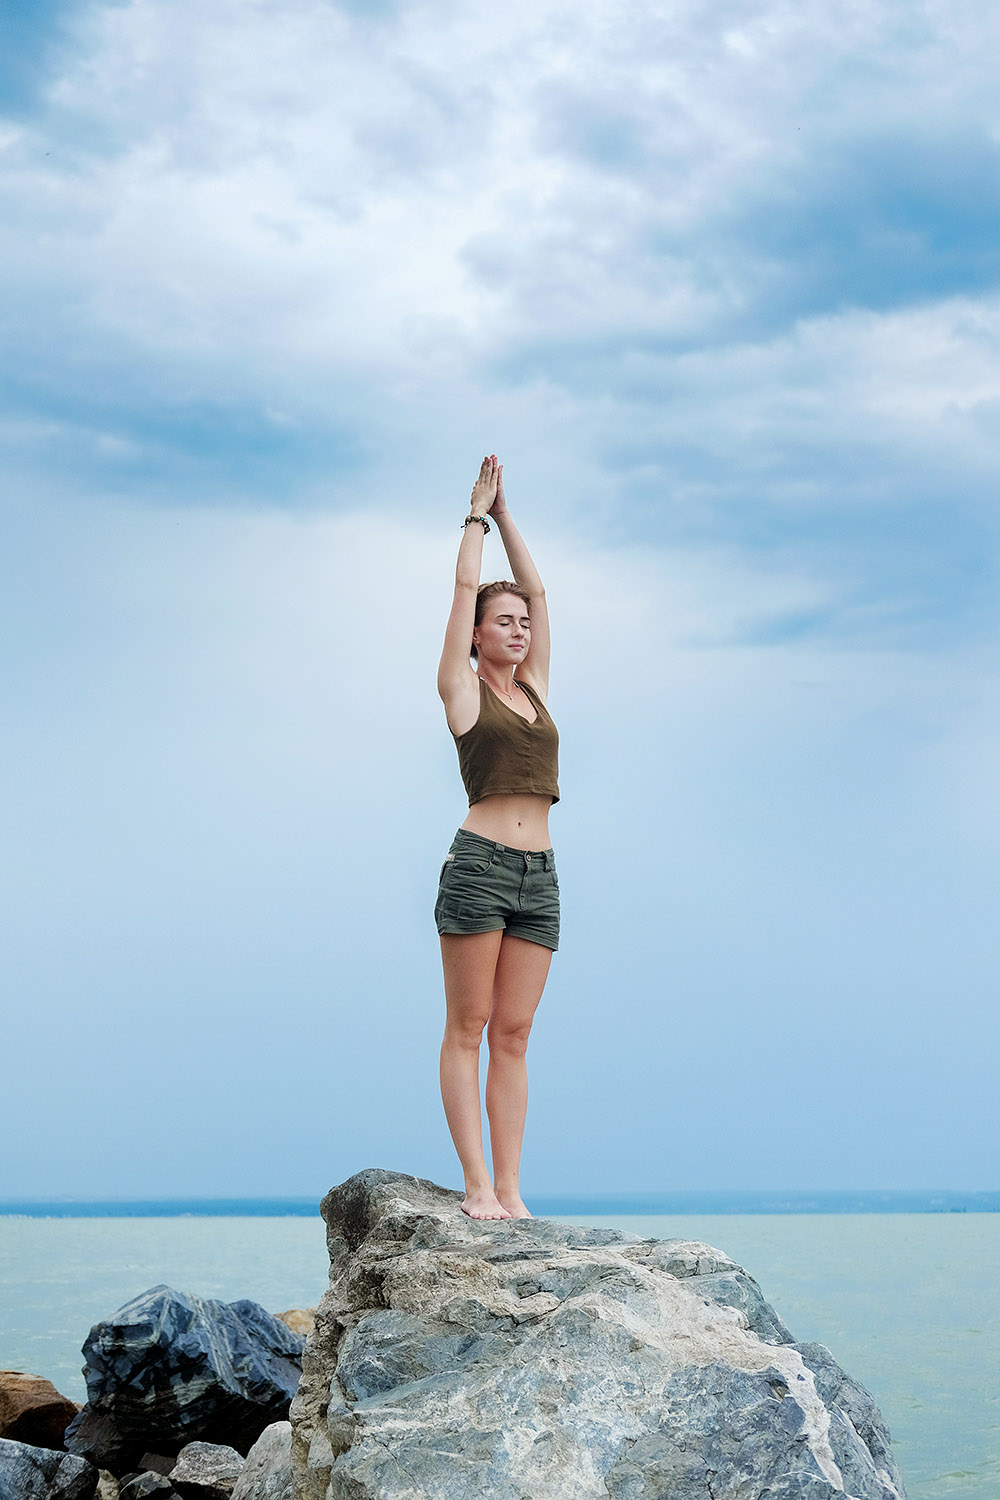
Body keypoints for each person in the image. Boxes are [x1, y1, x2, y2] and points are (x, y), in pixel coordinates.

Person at [435, 454, 560, 1221]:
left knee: (513, 1033)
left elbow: (540, 592)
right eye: (503, 622)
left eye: (521, 624)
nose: (517, 629)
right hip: (479, 867)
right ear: (478, 637)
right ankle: (476, 1186)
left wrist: (512, 514)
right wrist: (476, 518)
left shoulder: (537, 690)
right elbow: (459, 591)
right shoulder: (460, 691)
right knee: (469, 1027)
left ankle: (511, 1189)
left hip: (540, 874)